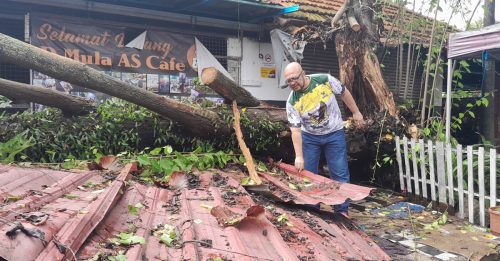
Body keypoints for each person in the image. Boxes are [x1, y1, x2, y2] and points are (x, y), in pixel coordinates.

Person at [284, 62, 365, 215]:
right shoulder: (292, 101)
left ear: (303, 73)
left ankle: (341, 210)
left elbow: (344, 92)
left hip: (334, 133)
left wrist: (356, 112)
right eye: (288, 81)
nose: (292, 83)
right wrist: (299, 156)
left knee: (339, 173)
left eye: (294, 78)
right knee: (308, 174)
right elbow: (295, 131)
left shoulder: (324, 80)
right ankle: (312, 210)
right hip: (310, 137)